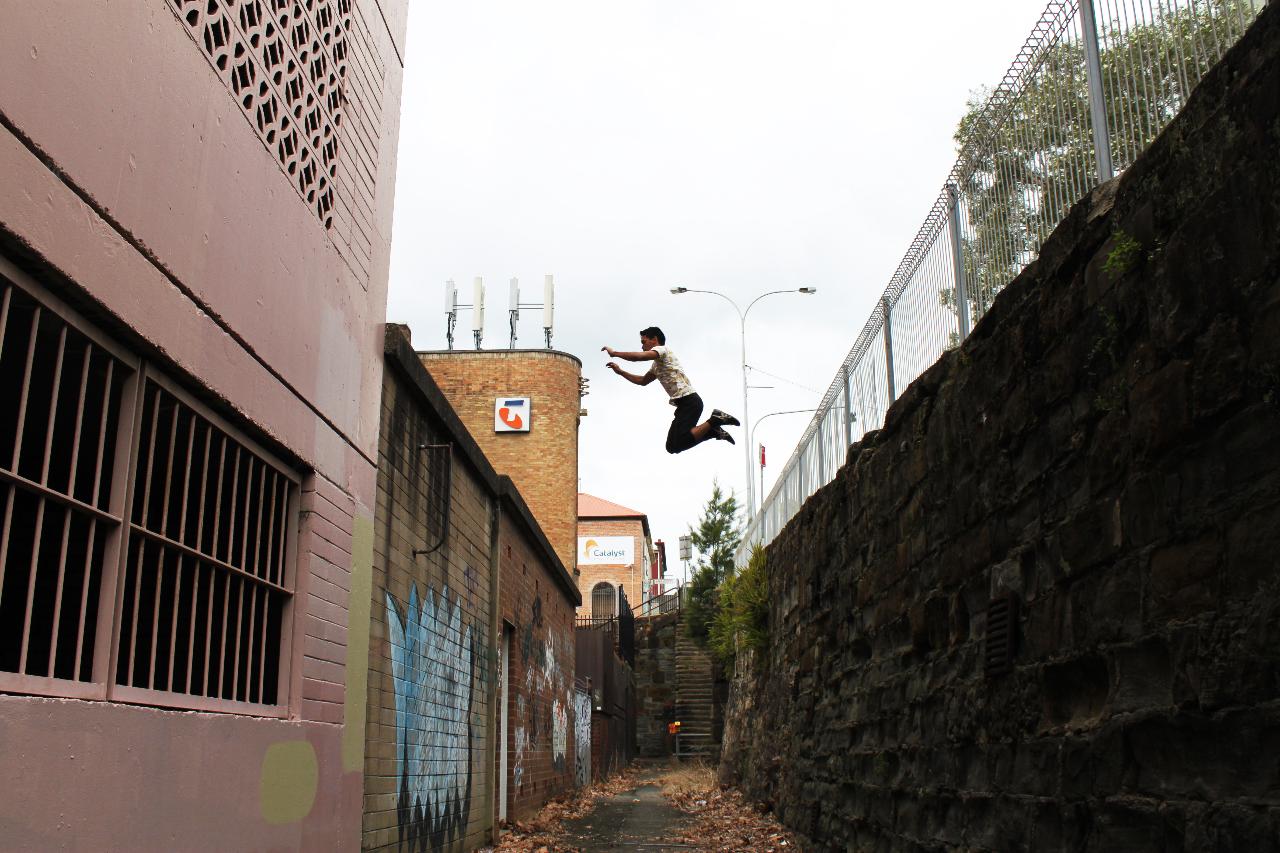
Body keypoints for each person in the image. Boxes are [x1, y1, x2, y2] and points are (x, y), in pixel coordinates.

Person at [602, 326, 739, 454]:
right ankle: (712, 431)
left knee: (679, 441)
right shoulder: (657, 365)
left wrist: (615, 353)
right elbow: (642, 381)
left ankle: (715, 420)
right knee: (672, 446)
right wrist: (620, 372)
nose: (642, 346)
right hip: (684, 404)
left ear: (654, 339)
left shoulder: (663, 350)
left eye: (644, 342)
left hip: (690, 401)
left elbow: (639, 357)